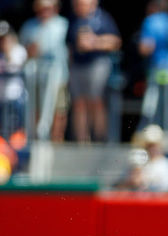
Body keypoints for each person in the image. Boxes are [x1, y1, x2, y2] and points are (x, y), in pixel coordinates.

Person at [66, 0, 121, 142]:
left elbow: (116, 42)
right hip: (77, 66)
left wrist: (94, 42)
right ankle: (82, 140)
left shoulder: (103, 19)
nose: (79, 6)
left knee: (96, 102)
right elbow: (70, 46)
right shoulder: (74, 20)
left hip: (97, 65)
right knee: (79, 104)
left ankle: (99, 139)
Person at [18, 0, 69, 142]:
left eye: (48, 8)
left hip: (59, 76)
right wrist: (30, 51)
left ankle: (56, 141)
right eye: (42, 8)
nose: (45, 11)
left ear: (55, 8)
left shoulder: (63, 25)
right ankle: (36, 140)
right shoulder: (29, 26)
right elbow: (21, 52)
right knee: (36, 109)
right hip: (35, 76)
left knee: (59, 110)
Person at [138, 0, 168, 130]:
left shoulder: (152, 21)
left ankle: (153, 137)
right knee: (164, 110)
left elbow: (144, 48)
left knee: (152, 109)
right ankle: (161, 137)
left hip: (164, 73)